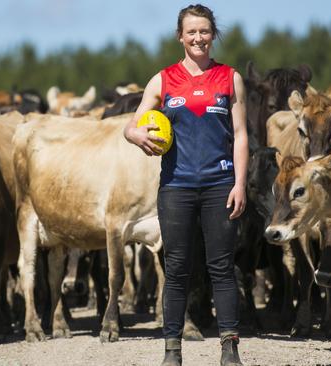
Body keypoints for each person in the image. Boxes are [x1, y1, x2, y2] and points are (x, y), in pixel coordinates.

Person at [123, 4, 248, 366]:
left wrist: (239, 183)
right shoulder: (163, 80)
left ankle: (229, 348)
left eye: (205, 31)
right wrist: (136, 135)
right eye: (191, 32)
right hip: (176, 187)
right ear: (180, 36)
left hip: (219, 184)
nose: (198, 38)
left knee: (221, 268)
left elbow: (240, 135)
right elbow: (131, 126)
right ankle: (172, 352)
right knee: (176, 268)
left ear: (213, 35)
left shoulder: (230, 77)